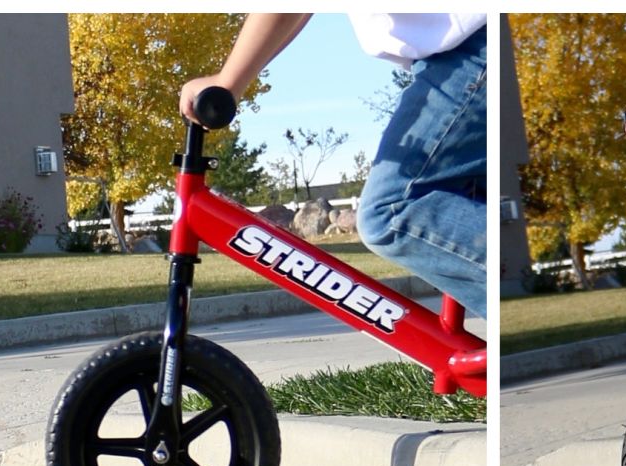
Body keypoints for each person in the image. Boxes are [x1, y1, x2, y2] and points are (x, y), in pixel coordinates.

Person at [181, 13, 488, 318]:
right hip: (458, 54)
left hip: (471, 50)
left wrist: (228, 82)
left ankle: (525, 285)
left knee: (391, 210)